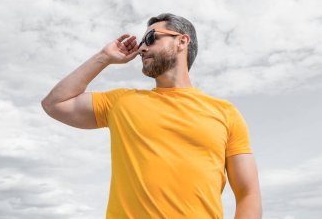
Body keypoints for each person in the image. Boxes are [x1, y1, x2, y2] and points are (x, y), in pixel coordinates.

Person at [41, 13, 262, 218]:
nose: (141, 49)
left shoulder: (225, 113)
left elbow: (248, 193)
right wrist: (103, 57)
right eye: (140, 43)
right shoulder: (121, 102)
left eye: (151, 38)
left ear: (182, 41)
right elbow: (55, 104)